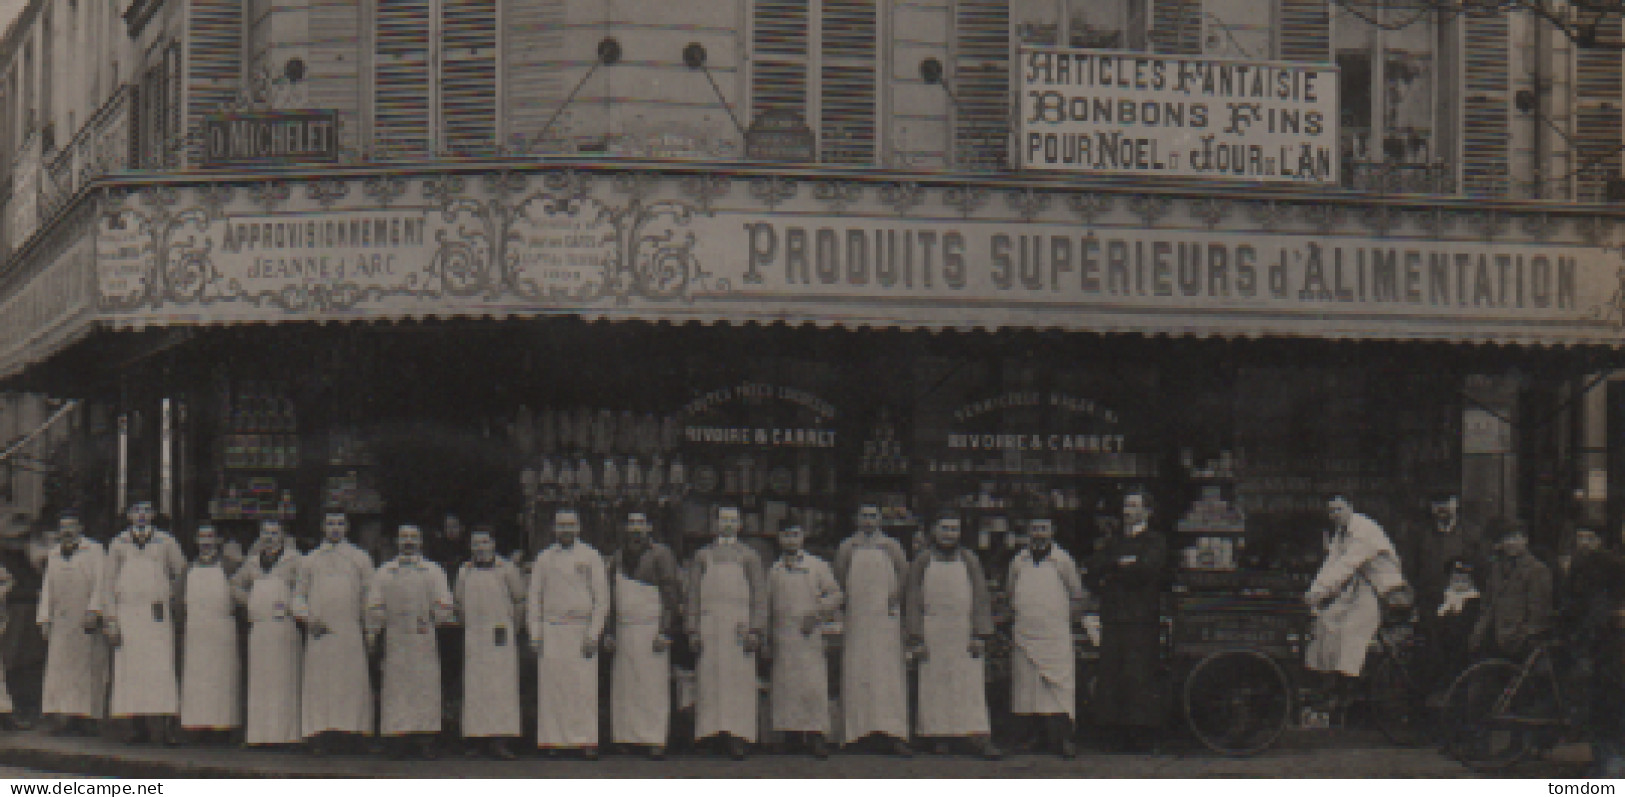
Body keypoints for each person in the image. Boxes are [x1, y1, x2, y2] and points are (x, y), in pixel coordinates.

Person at [904, 509, 999, 759]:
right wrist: (916, 638)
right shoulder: (922, 561)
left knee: (969, 687)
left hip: (963, 632)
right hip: (933, 631)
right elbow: (912, 600)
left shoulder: (969, 560)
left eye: (953, 529)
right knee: (935, 686)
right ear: (934, 530)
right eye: (944, 528)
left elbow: (980, 598)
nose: (949, 534)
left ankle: (977, 737)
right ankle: (939, 737)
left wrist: (979, 634)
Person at [1304, 495, 1406, 723]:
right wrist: (1315, 591)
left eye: (1339, 509)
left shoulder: (1364, 530)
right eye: (1331, 511)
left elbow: (1347, 564)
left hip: (1383, 589)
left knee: (1353, 629)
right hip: (1360, 585)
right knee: (1327, 619)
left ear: (1350, 507)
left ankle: (1349, 687)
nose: (1335, 515)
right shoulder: (1340, 534)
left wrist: (1321, 591)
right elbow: (1330, 564)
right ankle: (1330, 681)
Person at [91, 499, 185, 744]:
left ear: (153, 514)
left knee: (160, 669)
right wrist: (111, 619)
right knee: (130, 671)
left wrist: (169, 596)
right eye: (136, 510)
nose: (141, 515)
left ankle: (164, 728)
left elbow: (181, 571)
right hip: (128, 615)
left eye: (146, 510)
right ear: (129, 515)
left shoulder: (166, 542)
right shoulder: (118, 544)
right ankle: (136, 727)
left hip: (156, 616)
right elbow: (108, 583)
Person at [1087, 490, 1167, 753]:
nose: (1127, 511)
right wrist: (1122, 565)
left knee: (1139, 677)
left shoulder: (1155, 541)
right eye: (1126, 506)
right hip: (1114, 617)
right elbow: (1095, 568)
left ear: (1147, 512)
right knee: (1112, 676)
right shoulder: (1114, 541)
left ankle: (1141, 736)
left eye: (1133, 506)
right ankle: (1115, 734)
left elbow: (1146, 570)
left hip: (1141, 619)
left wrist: (1116, 568)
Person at [366, 524, 455, 759]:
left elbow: (445, 603)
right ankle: (397, 739)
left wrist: (432, 618)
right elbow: (374, 605)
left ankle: (425, 740)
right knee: (396, 689)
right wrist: (383, 624)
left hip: (423, 639)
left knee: (424, 688)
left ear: (420, 541)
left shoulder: (433, 571)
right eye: (404, 537)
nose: (408, 542)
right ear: (397, 540)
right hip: (396, 639)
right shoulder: (385, 572)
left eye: (413, 537)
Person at [686, 505, 767, 760]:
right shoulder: (702, 556)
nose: (728, 524)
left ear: (740, 524)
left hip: (738, 627)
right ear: (716, 523)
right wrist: (693, 630)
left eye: (733, 520)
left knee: (738, 682)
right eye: (724, 520)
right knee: (710, 680)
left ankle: (738, 736)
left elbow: (759, 595)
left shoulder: (750, 556)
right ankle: (711, 734)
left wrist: (755, 629)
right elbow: (693, 595)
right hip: (710, 625)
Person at [527, 508, 609, 759]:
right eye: (561, 525)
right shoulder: (544, 558)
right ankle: (553, 741)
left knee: (583, 688)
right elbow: (534, 598)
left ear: (578, 528)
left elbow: (602, 599)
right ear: (554, 529)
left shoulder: (591, 556)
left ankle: (587, 741)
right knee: (553, 688)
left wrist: (593, 634)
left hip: (581, 631)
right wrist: (535, 633)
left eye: (570, 525)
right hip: (552, 631)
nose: (566, 530)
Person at [833, 503, 911, 756]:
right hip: (858, 621)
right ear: (856, 518)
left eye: (873, 516)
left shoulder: (892, 547)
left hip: (886, 622)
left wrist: (894, 599)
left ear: (880, 519)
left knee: (888, 675)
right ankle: (857, 733)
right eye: (863, 516)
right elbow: (840, 580)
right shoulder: (847, 547)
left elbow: (904, 577)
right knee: (858, 672)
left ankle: (893, 732)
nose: (868, 521)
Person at [294, 512, 374, 753]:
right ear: (323, 527)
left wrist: (370, 631)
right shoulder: (310, 560)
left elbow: (369, 597)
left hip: (350, 632)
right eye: (330, 523)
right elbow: (298, 596)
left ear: (347, 527)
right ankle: (320, 736)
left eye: (340, 523)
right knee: (321, 684)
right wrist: (308, 619)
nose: (335, 528)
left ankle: (352, 735)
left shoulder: (359, 558)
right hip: (321, 633)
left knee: (350, 684)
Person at [1007, 515, 1087, 758]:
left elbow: (1077, 595)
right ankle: (1033, 738)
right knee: (1028, 689)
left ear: (1053, 530)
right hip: (1025, 635)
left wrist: (1065, 624)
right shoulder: (1018, 561)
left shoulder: (1063, 561)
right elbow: (1010, 592)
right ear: (1028, 531)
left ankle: (1063, 740)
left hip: (1055, 635)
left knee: (1058, 688)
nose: (1039, 534)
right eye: (1034, 528)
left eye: (1044, 528)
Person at [606, 511, 682, 759]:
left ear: (649, 526)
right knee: (625, 686)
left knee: (652, 686)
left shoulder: (661, 554)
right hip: (624, 628)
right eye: (631, 523)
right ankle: (625, 737)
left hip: (652, 629)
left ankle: (654, 738)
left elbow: (671, 594)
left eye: (641, 523)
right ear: (626, 527)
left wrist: (666, 630)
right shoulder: (617, 556)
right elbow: (611, 597)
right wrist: (609, 631)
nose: (636, 528)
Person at [766, 523, 842, 759]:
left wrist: (818, 614)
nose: (791, 540)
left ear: (803, 537)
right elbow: (766, 605)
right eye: (786, 535)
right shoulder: (774, 570)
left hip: (809, 637)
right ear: (779, 538)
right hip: (783, 636)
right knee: (786, 687)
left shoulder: (817, 566)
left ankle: (816, 736)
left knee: (812, 687)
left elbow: (836, 594)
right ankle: (791, 736)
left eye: (795, 535)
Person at [455, 526, 526, 760]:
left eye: (485, 542)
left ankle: (501, 741)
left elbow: (518, 601)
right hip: (475, 636)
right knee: (476, 688)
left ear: (493, 544)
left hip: (501, 636)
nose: (481, 548)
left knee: (501, 688)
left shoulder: (507, 569)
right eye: (476, 543)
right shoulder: (464, 572)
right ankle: (476, 741)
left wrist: (513, 629)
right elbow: (458, 604)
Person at [37, 510, 108, 736]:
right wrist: (44, 619)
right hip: (62, 619)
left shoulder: (95, 550)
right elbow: (47, 587)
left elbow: (101, 582)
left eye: (71, 526)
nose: (67, 531)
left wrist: (94, 610)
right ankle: (64, 717)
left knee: (89, 667)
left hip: (85, 617)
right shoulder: (55, 553)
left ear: (80, 528)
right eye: (63, 526)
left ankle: (88, 718)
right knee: (61, 669)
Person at [232, 519, 303, 747]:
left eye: (275, 533)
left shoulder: (295, 561)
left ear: (283, 536)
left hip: (285, 628)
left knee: (285, 681)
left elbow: (304, 588)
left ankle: (287, 736)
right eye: (265, 532)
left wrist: (294, 606)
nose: (270, 537)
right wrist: (250, 602)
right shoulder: (251, 563)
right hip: (260, 628)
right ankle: (260, 736)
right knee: (260, 681)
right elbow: (235, 585)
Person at [177, 524, 241, 741]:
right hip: (196, 630)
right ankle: (197, 728)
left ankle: (222, 728)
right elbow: (180, 601)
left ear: (218, 541)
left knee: (222, 678)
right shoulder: (188, 569)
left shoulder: (230, 566)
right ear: (196, 540)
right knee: (197, 678)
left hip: (221, 631)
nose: (206, 542)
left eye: (210, 537)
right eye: (202, 537)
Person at [1470, 518, 1552, 660]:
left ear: (1525, 540)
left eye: (1515, 538)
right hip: (1493, 637)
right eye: (1506, 539)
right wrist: (1479, 631)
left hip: (1520, 644)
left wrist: (1522, 637)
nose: (1510, 543)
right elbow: (1487, 604)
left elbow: (1539, 614)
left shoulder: (1537, 570)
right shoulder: (1496, 568)